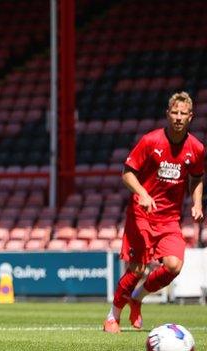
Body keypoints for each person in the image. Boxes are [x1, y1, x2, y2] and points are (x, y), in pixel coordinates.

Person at [103, 92, 204, 334]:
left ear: (191, 117)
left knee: (173, 266)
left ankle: (137, 298)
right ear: (168, 114)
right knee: (137, 268)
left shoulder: (197, 149)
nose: (178, 118)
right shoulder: (150, 141)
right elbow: (127, 173)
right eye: (175, 112)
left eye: (183, 114)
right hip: (142, 213)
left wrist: (197, 202)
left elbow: (197, 178)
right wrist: (143, 194)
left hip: (169, 218)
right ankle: (113, 316)